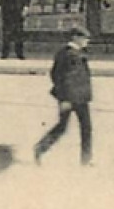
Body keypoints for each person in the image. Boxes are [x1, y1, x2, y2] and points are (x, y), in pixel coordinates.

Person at [34, 26, 93, 165]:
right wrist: (65, 98)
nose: (87, 42)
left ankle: (86, 160)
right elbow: (61, 77)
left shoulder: (75, 53)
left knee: (85, 128)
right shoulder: (68, 54)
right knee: (63, 127)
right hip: (70, 98)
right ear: (75, 38)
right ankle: (40, 148)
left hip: (80, 98)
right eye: (84, 38)